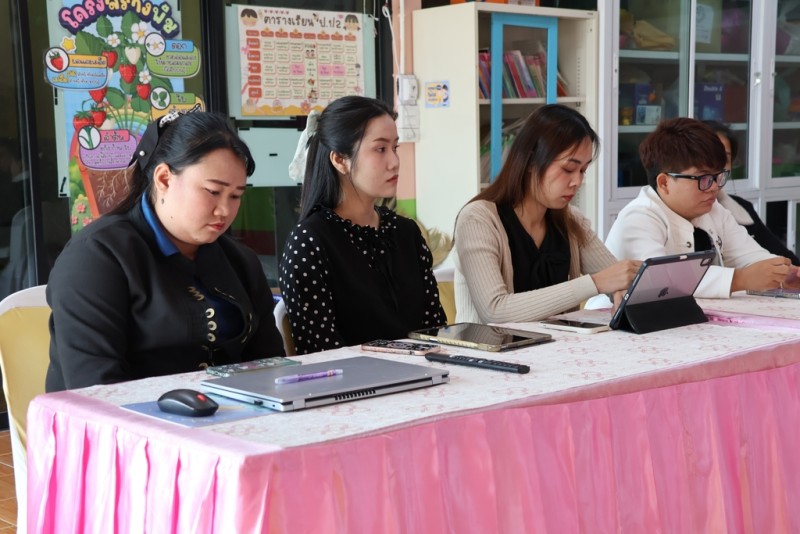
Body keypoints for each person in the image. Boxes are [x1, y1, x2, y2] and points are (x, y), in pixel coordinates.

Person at [46, 111, 285, 392]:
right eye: (212, 191)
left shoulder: (240, 260)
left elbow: (272, 366)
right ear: (164, 179)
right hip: (128, 414)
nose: (224, 210)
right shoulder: (96, 257)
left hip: (234, 412)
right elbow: (97, 388)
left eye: (235, 196)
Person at [279, 95, 446, 355]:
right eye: (380, 149)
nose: (395, 161)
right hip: (352, 379)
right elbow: (321, 354)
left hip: (426, 374)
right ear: (339, 160)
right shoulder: (310, 241)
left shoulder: (406, 232)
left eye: (395, 148)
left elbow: (434, 330)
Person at [453, 104, 641, 324]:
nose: (577, 181)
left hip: (559, 345)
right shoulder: (477, 220)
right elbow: (495, 310)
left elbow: (616, 277)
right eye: (568, 169)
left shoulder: (572, 221)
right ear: (531, 161)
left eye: (583, 170)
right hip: (490, 347)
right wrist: (596, 283)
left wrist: (621, 290)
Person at [605, 117, 799, 299]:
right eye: (704, 178)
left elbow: (749, 255)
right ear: (664, 182)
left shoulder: (714, 210)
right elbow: (663, 280)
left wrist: (782, 275)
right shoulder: (638, 218)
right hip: (611, 321)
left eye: (718, 177)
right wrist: (740, 279)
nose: (714, 187)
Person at [703, 120, 800, 264]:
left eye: (725, 158)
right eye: (710, 157)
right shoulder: (680, 216)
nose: (716, 166)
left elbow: (784, 259)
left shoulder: (741, 210)